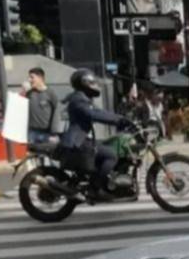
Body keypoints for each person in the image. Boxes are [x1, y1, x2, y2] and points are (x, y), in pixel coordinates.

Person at [59, 68, 132, 199]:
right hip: (78, 142)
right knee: (111, 155)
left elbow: (101, 112)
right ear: (83, 83)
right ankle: (95, 188)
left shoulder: (82, 98)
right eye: (91, 82)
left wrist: (121, 119)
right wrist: (119, 121)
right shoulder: (78, 100)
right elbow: (94, 115)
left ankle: (103, 181)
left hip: (81, 140)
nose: (94, 85)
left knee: (109, 147)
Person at [23, 67, 60, 145]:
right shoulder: (29, 93)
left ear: (40, 78)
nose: (29, 80)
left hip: (47, 134)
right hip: (32, 133)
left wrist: (54, 131)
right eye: (29, 77)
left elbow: (57, 111)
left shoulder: (51, 93)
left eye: (32, 77)